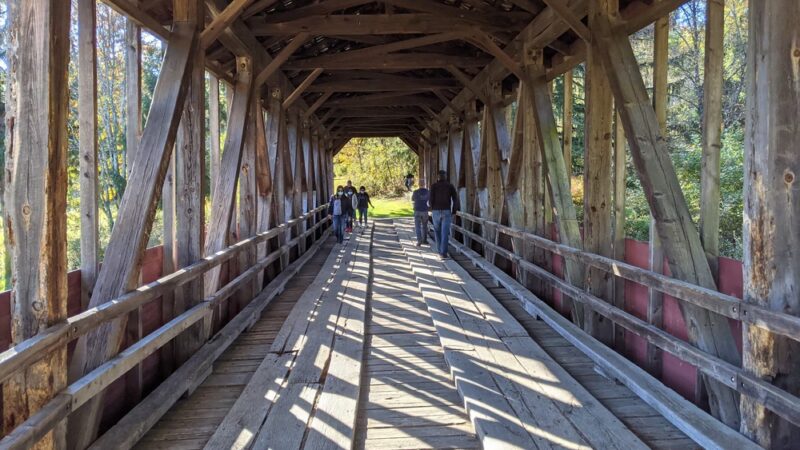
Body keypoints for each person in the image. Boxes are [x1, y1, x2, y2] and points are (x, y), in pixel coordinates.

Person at [429, 170, 460, 259]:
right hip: (446, 211)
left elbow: (431, 199)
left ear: (438, 177)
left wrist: (431, 208)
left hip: (436, 211)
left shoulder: (434, 186)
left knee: (437, 232)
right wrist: (454, 210)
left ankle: (440, 251)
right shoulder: (450, 186)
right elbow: (455, 199)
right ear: (445, 176)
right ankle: (443, 253)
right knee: (445, 233)